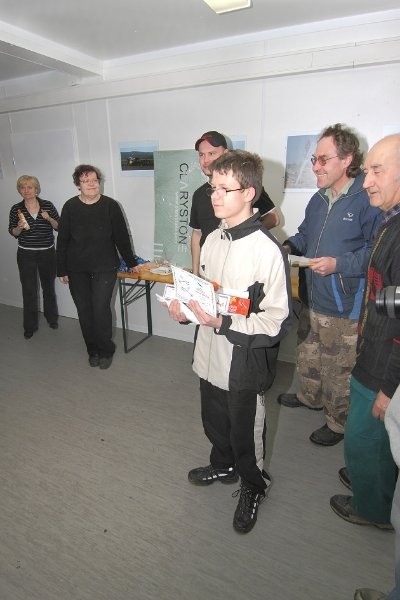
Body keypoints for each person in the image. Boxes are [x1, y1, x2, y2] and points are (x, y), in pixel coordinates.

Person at [166, 150, 292, 534]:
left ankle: (254, 484)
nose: (214, 196)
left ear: (249, 193)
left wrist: (223, 322)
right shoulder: (213, 239)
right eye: (212, 187)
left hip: (243, 362)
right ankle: (222, 464)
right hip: (209, 352)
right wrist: (186, 309)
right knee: (214, 420)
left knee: (245, 432)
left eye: (224, 189)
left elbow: (276, 322)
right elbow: (207, 295)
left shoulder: (267, 251)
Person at [277, 123, 381, 446]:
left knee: (338, 368)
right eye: (314, 159)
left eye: (323, 159)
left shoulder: (366, 198)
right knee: (308, 355)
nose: (315, 167)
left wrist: (339, 264)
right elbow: (305, 234)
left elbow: (376, 252)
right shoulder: (318, 198)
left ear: (347, 159)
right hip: (312, 296)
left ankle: (337, 423)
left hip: (344, 305)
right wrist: (288, 247)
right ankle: (309, 397)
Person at [330, 134, 400, 530]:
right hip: (372, 354)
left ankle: (372, 509)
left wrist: (389, 388)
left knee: (362, 437)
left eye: (377, 171)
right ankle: (369, 478)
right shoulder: (391, 222)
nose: (367, 181)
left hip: (383, 367)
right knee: (371, 441)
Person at [57, 164, 137, 369]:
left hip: (105, 266)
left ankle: (106, 350)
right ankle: (92, 350)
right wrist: (61, 269)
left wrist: (131, 263)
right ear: (78, 184)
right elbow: (63, 239)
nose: (91, 184)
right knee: (84, 311)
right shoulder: (70, 206)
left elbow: (121, 237)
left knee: (100, 309)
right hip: (77, 268)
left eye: (94, 180)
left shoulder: (111, 206)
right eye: (86, 181)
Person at [189, 130, 280, 275]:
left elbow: (274, 218)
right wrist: (195, 273)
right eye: (201, 155)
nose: (205, 160)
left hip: (241, 265)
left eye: (211, 153)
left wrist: (243, 236)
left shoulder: (244, 187)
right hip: (210, 267)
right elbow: (197, 233)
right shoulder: (199, 194)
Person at [8, 175, 59, 339]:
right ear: (19, 190)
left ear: (36, 189)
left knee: (48, 288)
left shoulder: (47, 205)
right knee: (29, 290)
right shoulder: (16, 209)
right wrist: (19, 227)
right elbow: (13, 232)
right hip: (26, 254)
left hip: (47, 253)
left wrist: (49, 218)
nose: (26, 190)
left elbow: (59, 226)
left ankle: (51, 318)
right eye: (22, 187)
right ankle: (29, 326)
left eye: (29, 187)